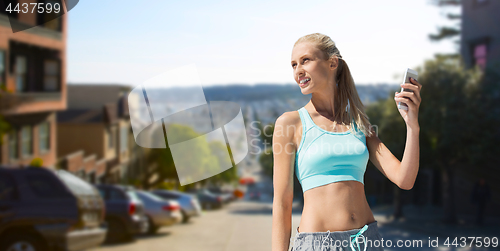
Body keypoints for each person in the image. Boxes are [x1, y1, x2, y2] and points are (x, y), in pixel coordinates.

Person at [271, 33, 421, 251]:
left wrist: (412, 126)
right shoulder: (290, 123)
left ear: (332, 63)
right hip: (319, 244)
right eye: (294, 65)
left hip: (367, 241)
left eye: (306, 60)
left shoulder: (359, 124)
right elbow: (282, 202)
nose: (298, 71)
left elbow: (404, 179)